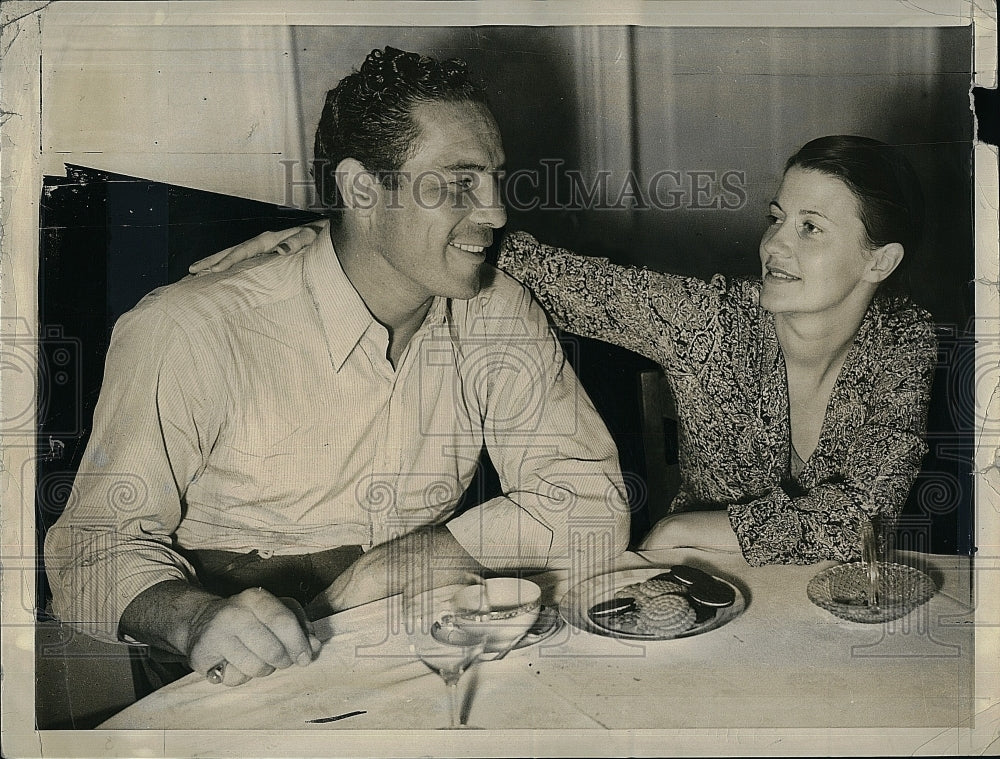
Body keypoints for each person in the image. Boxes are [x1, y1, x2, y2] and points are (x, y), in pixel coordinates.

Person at [44, 46, 629, 689]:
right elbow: (89, 553)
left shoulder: (497, 311)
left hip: (414, 641)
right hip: (239, 669)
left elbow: (591, 502)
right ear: (360, 189)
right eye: (460, 183)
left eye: (496, 179)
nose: (495, 212)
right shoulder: (192, 327)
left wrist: (418, 559)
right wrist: (191, 618)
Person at [200, 135, 936, 566]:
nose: (775, 244)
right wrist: (348, 240)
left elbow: (862, 520)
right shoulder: (711, 317)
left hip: (808, 590)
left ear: (880, 261)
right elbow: (558, 275)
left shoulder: (905, 339)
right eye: (778, 216)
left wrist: (682, 526)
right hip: (703, 585)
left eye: (812, 227)